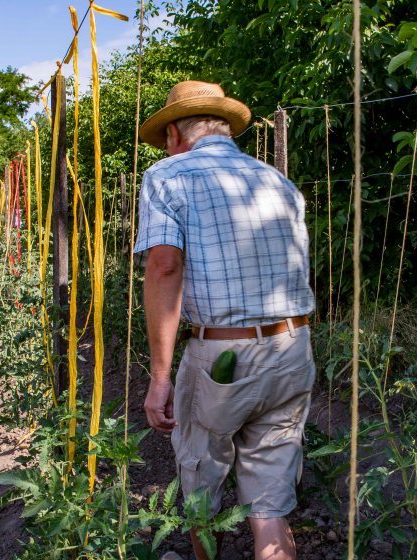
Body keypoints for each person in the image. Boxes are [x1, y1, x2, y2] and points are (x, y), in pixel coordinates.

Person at [135, 81, 316, 560]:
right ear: (223, 127)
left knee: (200, 490)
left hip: (224, 355)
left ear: (174, 132)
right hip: (292, 346)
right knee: (269, 504)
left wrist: (159, 377)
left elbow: (164, 266)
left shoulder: (168, 176)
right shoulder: (279, 182)